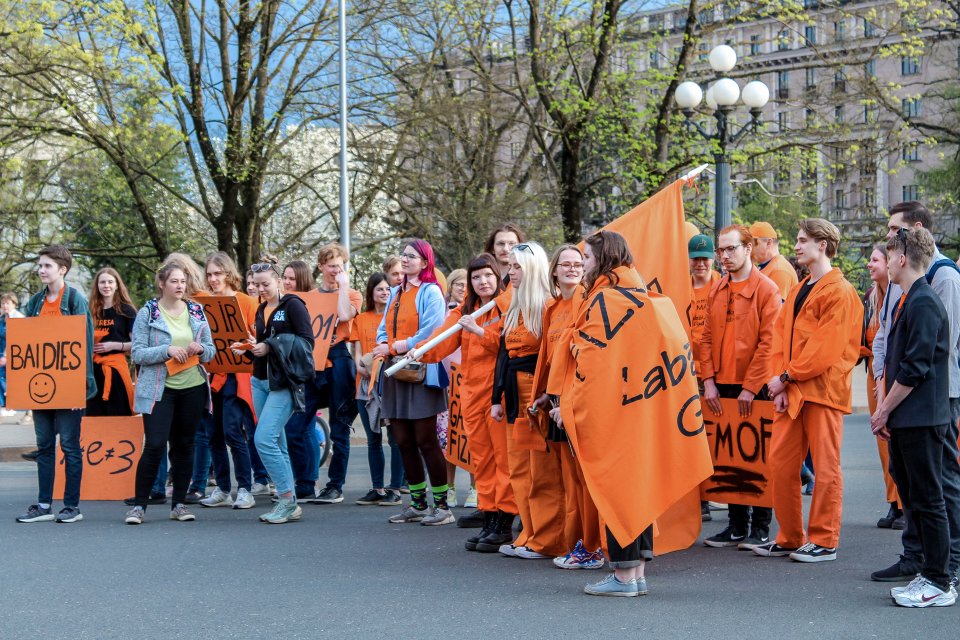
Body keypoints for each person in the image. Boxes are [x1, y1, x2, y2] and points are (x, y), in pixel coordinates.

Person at [554, 231, 712, 596]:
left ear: (604, 259)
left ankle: (624, 577)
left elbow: (593, 366)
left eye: (588, 259)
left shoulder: (605, 301)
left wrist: (571, 404)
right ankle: (636, 573)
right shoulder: (648, 297)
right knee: (637, 490)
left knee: (618, 491)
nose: (584, 266)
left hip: (615, 413)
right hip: (643, 410)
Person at [754, 218, 862, 562]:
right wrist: (781, 381)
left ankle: (824, 540)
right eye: (798, 239)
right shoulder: (802, 288)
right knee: (781, 465)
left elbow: (825, 349)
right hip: (794, 390)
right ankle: (790, 536)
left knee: (826, 468)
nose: (797, 246)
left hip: (823, 392)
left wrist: (784, 378)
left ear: (823, 245)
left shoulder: (840, 291)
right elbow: (779, 338)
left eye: (803, 240)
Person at [871, 200, 960, 587]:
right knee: (916, 493)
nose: (887, 244)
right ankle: (920, 562)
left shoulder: (938, 286)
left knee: (936, 491)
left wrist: (884, 408)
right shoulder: (903, 290)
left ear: (904, 255)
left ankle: (943, 571)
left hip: (930, 405)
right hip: (907, 407)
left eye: (893, 235)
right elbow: (887, 338)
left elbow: (927, 358)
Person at [698, 225, 781, 550]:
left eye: (731, 249)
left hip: (755, 388)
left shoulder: (767, 289)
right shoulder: (718, 289)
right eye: (721, 250)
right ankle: (735, 526)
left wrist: (750, 386)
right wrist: (708, 382)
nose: (724, 255)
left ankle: (760, 527)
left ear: (749, 248)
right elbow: (705, 338)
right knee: (729, 453)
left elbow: (768, 342)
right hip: (721, 384)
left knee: (758, 455)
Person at [124, 262, 216, 525]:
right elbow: (138, 353)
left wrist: (200, 348)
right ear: (162, 284)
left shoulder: (197, 311)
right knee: (154, 444)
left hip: (192, 387)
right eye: (174, 281)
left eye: (183, 282)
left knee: (185, 445)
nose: (180, 286)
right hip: (159, 389)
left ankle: (179, 505)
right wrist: (166, 350)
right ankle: (139, 507)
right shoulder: (148, 312)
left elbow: (211, 350)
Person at [492, 242, 567, 560]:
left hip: (536, 397)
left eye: (517, 266)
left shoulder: (549, 305)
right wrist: (496, 397)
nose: (511, 272)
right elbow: (503, 355)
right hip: (514, 395)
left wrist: (546, 396)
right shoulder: (515, 305)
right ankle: (529, 533)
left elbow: (553, 358)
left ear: (533, 268)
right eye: (510, 266)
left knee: (543, 470)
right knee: (520, 469)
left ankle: (548, 538)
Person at [532, 245, 604, 570]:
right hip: (558, 403)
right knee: (571, 481)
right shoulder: (552, 308)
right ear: (555, 271)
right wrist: (546, 394)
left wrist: (570, 399)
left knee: (585, 480)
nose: (573, 268)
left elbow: (586, 357)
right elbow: (550, 356)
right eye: (566, 264)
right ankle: (578, 542)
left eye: (579, 263)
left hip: (579, 402)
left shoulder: (588, 304)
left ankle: (592, 545)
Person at [372, 239, 453, 526]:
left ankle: (442, 506)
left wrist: (393, 346)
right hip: (396, 371)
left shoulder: (430, 291)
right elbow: (383, 326)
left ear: (425, 261)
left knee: (426, 439)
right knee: (403, 440)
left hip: (420, 371)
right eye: (403, 256)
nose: (405, 260)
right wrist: (383, 343)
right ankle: (418, 503)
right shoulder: (395, 291)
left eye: (412, 256)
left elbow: (432, 330)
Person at [15, 245, 96, 524]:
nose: (41, 270)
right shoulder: (35, 302)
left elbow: (84, 345)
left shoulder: (75, 300)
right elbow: (29, 345)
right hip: (42, 386)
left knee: (71, 446)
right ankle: (43, 504)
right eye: (40, 265)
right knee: (45, 445)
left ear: (62, 269)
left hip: (69, 386)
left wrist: (81, 388)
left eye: (47, 265)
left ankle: (72, 506)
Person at [233, 256, 314, 524]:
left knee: (263, 439)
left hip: (285, 383)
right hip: (259, 380)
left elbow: (307, 343)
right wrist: (250, 347)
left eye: (265, 284)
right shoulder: (260, 310)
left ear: (278, 281)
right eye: (255, 285)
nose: (260, 289)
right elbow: (263, 345)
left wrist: (270, 345)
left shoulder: (293, 305)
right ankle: (288, 501)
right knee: (276, 441)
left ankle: (287, 500)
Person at [291, 244, 362, 505]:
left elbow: (344, 314)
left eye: (341, 265)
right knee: (296, 425)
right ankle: (306, 483)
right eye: (331, 265)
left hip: (339, 360)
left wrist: (342, 286)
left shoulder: (352, 294)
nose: (336, 270)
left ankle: (335, 486)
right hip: (313, 362)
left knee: (339, 428)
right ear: (321, 266)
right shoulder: (308, 298)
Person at [198, 252, 260, 510]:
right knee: (213, 434)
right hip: (209, 374)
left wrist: (247, 339)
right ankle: (223, 488)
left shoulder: (245, 301)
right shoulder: (201, 303)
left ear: (228, 274)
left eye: (217, 273)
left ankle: (245, 488)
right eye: (209, 274)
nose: (213, 279)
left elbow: (258, 337)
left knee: (233, 431)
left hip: (236, 374)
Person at [352, 272, 403, 506]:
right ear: (371, 292)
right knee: (373, 439)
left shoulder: (397, 317)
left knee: (395, 439)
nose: (384, 293)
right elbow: (356, 351)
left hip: (390, 382)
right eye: (379, 289)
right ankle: (377, 488)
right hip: (365, 385)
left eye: (387, 289)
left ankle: (395, 488)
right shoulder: (361, 319)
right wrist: (360, 368)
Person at [862, 245, 903, 529]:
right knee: (883, 442)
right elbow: (866, 340)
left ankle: (905, 503)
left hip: (895, 375)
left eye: (874, 259)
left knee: (900, 440)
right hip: (874, 376)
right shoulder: (871, 298)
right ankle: (893, 503)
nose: (869, 264)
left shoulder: (902, 293)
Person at [688, 233, 719, 521]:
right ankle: (694, 499)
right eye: (696, 258)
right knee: (689, 438)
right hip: (683, 373)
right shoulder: (679, 286)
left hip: (710, 373)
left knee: (710, 440)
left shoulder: (720, 286)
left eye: (705, 257)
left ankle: (708, 497)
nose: (701, 263)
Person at [440, 268, 476, 509]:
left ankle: (475, 487)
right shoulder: (445, 313)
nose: (463, 288)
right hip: (445, 380)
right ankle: (449, 488)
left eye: (466, 284)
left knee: (470, 436)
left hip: (469, 378)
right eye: (458, 284)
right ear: (450, 286)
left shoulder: (475, 312)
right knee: (447, 436)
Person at [87, 268, 137, 417]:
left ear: (117, 285)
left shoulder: (127, 310)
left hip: (116, 369)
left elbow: (137, 344)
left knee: (119, 413)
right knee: (93, 415)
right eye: (102, 282)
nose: (106, 285)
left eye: (110, 282)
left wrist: (115, 345)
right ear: (97, 286)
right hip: (93, 371)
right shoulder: (90, 310)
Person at [749, 221, 799, 301]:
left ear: (769, 243)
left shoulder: (779, 270)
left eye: (754, 243)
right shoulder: (768, 266)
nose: (749, 249)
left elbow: (776, 310)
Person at [0, 293, 24, 418]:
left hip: (16, 353)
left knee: (16, 382)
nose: (5, 306)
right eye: (3, 303)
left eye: (7, 303)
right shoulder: (2, 318)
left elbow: (15, 338)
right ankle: (4, 407)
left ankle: (27, 411)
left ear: (14, 304)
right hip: (2, 352)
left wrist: (6, 356)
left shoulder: (18, 318)